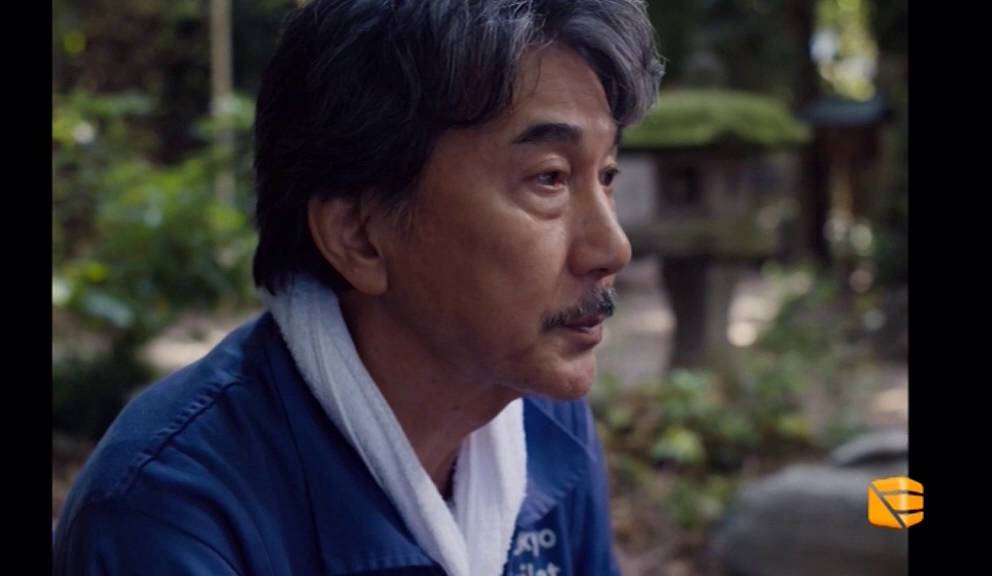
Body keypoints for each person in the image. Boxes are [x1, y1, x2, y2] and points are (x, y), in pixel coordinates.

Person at [52, 1, 665, 574]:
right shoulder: (174, 513)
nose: (613, 248)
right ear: (359, 236)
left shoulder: (541, 420)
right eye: (549, 178)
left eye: (606, 174)